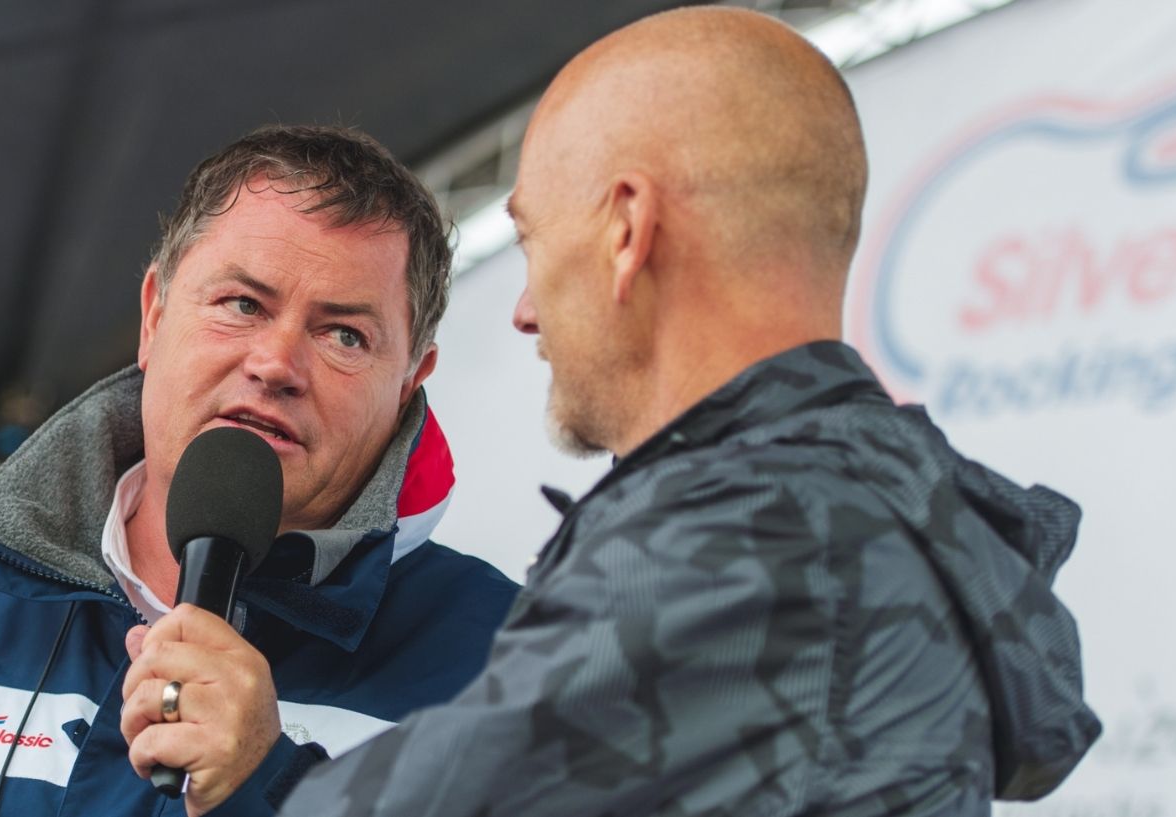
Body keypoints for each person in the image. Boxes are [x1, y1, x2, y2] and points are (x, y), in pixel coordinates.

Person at [278, 8, 1100, 815]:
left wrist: (257, 773)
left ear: (628, 229)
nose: (524, 310)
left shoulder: (745, 542)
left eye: (532, 241)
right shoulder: (875, 511)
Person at [0, 125, 519, 817]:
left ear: (411, 380)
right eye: (242, 303)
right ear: (154, 315)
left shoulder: (506, 656)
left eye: (344, 334)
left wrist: (267, 784)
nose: (275, 362)